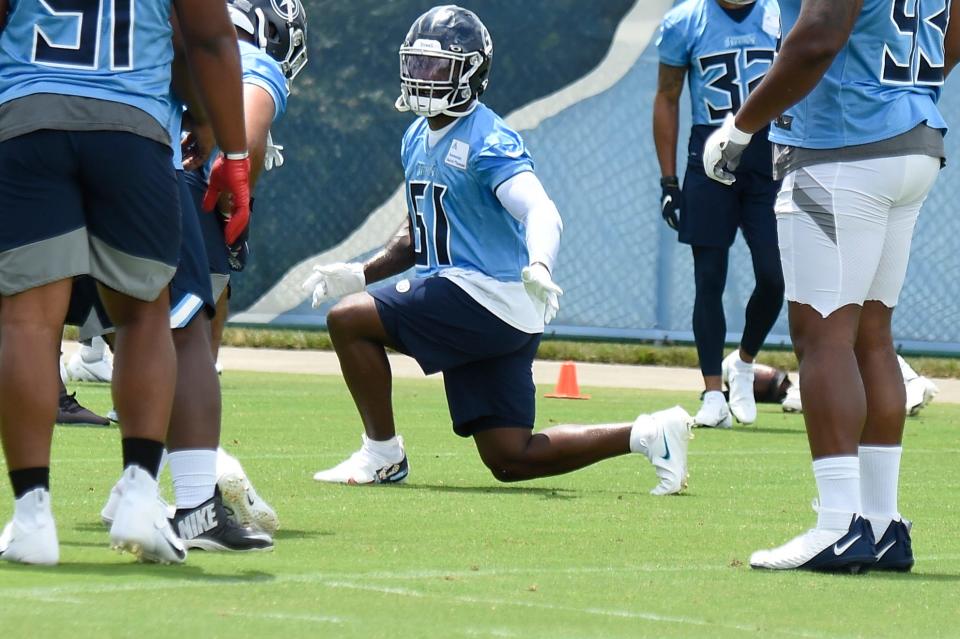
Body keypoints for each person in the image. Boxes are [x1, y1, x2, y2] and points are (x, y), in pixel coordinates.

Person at [303, 5, 692, 496]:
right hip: (499, 311)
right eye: (417, 64)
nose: (422, 77)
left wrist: (540, 263)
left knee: (348, 320)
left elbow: (542, 210)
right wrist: (362, 272)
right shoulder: (416, 137)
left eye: (436, 67)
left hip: (486, 295)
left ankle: (383, 454)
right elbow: (421, 231)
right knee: (510, 456)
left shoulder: (487, 139)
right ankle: (650, 435)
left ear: (470, 74)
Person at [703, 0, 960, 572]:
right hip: (911, 139)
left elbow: (818, 35)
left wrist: (740, 125)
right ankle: (882, 522)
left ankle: (840, 524)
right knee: (871, 335)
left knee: (823, 336)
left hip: (844, 149)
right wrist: (905, 91)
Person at [0, 0, 252, 565]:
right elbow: (206, 40)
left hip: (28, 119)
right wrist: (232, 151)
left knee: (26, 320)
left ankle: (32, 516)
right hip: (132, 129)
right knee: (143, 315)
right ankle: (140, 492)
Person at [654, 0, 785, 429]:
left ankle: (744, 364)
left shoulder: (781, 11)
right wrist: (669, 180)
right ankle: (713, 393)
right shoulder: (685, 20)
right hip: (710, 158)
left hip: (769, 158)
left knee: (774, 275)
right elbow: (668, 96)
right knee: (708, 277)